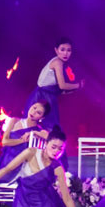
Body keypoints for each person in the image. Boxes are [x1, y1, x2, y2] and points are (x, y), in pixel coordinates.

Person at [24, 38, 84, 169]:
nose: (65, 53)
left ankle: (52, 167)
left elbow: (58, 89)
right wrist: (78, 85)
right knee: (52, 132)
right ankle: (58, 168)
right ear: (56, 50)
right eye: (62, 50)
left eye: (69, 50)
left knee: (50, 132)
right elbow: (62, 85)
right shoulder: (57, 62)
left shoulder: (60, 63)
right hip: (42, 99)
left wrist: (73, 89)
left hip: (46, 97)